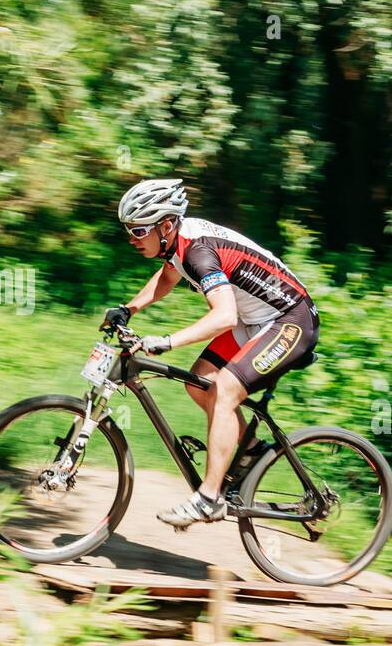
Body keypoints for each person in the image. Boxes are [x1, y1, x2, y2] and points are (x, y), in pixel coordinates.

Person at [102, 178, 319, 526]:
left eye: (139, 229)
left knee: (226, 390)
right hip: (257, 320)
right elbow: (168, 277)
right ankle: (251, 452)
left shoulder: (199, 251)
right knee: (200, 381)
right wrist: (129, 309)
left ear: (166, 224)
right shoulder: (177, 244)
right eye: (129, 229)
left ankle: (208, 499)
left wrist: (167, 340)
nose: (132, 238)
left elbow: (224, 315)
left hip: (290, 320)